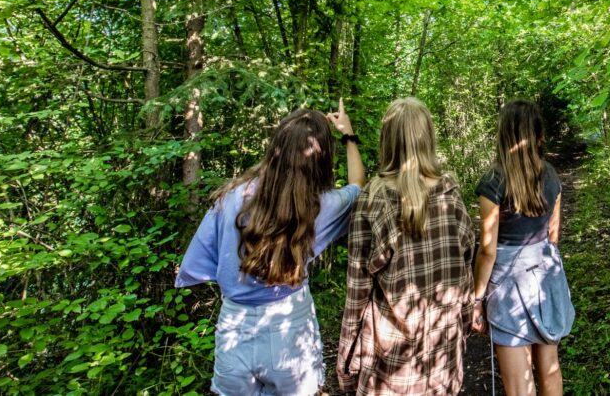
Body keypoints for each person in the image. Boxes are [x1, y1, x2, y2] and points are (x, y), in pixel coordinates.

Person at [175, 101, 365, 396]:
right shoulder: (319, 207)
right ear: (322, 158)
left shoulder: (231, 198)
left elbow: (205, 261)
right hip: (290, 326)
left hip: (234, 329)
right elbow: (358, 187)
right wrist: (348, 135)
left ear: (275, 148)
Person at [337, 97, 475, 395]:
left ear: (387, 141)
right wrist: (462, 325)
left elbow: (356, 294)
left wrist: (346, 364)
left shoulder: (373, 199)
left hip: (391, 370)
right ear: (428, 138)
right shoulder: (451, 195)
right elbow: (465, 272)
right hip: (444, 361)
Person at [471, 100, 574, 396]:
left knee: (519, 385)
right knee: (549, 367)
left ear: (503, 134)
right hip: (547, 276)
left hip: (508, 286)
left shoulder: (493, 182)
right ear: (538, 135)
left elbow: (488, 251)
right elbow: (553, 235)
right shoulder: (551, 175)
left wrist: (477, 299)